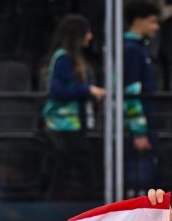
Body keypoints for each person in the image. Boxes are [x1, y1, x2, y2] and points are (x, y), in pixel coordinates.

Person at [42, 14, 105, 201]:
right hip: (64, 125)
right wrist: (88, 90)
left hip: (74, 124)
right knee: (83, 171)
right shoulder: (63, 58)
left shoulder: (73, 59)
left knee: (65, 170)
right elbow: (57, 90)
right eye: (87, 32)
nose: (90, 36)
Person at [123, 0, 161, 198]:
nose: (156, 27)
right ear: (139, 21)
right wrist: (138, 132)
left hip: (143, 126)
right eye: (153, 21)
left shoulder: (138, 49)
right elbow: (130, 92)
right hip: (135, 131)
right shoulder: (131, 50)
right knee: (137, 180)